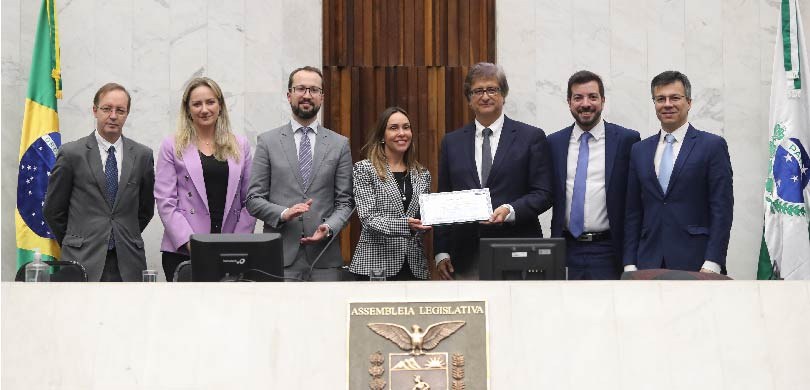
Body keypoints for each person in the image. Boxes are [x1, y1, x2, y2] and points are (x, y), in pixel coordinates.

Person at [435, 62, 553, 279]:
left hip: (518, 250)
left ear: (503, 95)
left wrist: (510, 209)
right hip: (466, 255)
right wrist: (441, 251)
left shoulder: (531, 137)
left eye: (492, 89)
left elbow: (544, 193)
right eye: (478, 91)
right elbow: (444, 197)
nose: (485, 96)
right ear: (469, 99)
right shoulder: (452, 142)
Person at [247, 66, 354, 281]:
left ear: (322, 97)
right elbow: (253, 199)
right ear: (289, 95)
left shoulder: (339, 144)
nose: (307, 95)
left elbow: (346, 202)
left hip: (324, 258)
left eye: (314, 90)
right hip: (278, 257)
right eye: (301, 89)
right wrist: (284, 213)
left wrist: (328, 227)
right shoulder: (267, 142)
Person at [624, 71, 733, 273]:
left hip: (697, 262)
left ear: (689, 102)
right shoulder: (639, 150)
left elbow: (722, 209)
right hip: (648, 261)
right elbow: (633, 211)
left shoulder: (712, 146)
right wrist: (629, 262)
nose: (667, 104)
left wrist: (713, 262)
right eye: (660, 99)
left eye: (675, 98)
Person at [44, 83, 155, 282]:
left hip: (128, 261)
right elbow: (53, 210)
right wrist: (76, 240)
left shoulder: (142, 156)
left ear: (127, 114)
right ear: (95, 110)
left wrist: (121, 235)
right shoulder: (71, 154)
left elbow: (145, 209)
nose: (113, 116)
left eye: (120, 110)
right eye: (106, 108)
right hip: (81, 259)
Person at [154, 77, 256, 281]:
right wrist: (193, 244)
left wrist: (237, 242)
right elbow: (165, 201)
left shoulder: (240, 145)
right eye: (197, 104)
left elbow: (251, 200)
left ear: (220, 105)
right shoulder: (172, 145)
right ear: (187, 109)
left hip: (231, 249)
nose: (204, 109)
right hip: (184, 250)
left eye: (210, 102)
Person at [547, 71, 640, 279]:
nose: (585, 104)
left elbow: (634, 202)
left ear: (603, 100)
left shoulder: (627, 140)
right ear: (569, 102)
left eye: (592, 97)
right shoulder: (554, 143)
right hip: (565, 249)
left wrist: (631, 259)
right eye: (578, 98)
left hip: (608, 250)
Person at [350, 107, 432, 281]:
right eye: (394, 128)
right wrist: (406, 225)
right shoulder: (364, 169)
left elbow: (424, 219)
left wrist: (434, 220)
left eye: (406, 127)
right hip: (375, 265)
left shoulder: (422, 174)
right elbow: (369, 219)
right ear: (382, 136)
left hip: (415, 267)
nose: (402, 133)